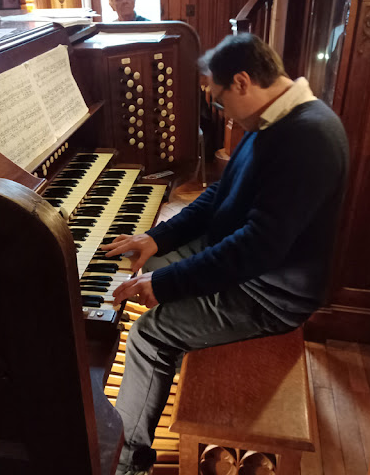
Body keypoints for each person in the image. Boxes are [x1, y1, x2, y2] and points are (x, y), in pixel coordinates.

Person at [102, 33, 349, 475]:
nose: (219, 111)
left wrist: (166, 285)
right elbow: (221, 192)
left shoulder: (309, 136)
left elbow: (258, 249)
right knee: (135, 267)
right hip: (237, 257)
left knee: (148, 335)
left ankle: (126, 464)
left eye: (217, 101)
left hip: (270, 294)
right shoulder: (273, 120)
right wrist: (160, 240)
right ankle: (162, 377)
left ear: (241, 82)